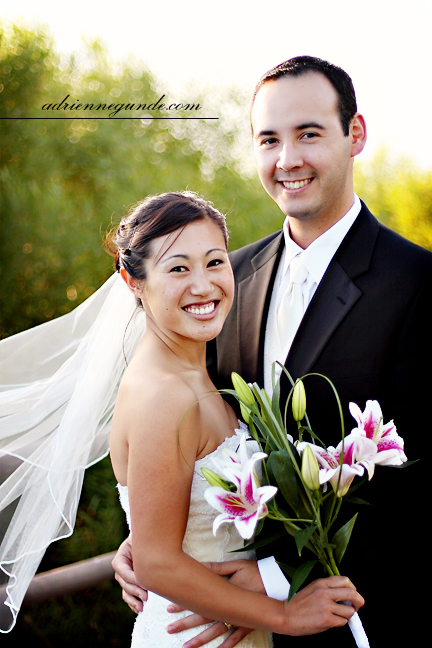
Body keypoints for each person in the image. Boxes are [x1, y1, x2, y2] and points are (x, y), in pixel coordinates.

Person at [113, 57, 432, 647]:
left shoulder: (418, 285)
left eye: (308, 133)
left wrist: (272, 578)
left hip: (355, 622)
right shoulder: (225, 281)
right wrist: (146, 543)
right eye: (269, 139)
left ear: (354, 134)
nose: (288, 159)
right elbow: (184, 443)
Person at [106, 190, 363, 648]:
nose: (203, 286)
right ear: (133, 281)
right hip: (192, 636)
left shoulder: (197, 368)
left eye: (215, 262)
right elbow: (157, 564)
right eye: (178, 268)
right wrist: (285, 615)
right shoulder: (161, 394)